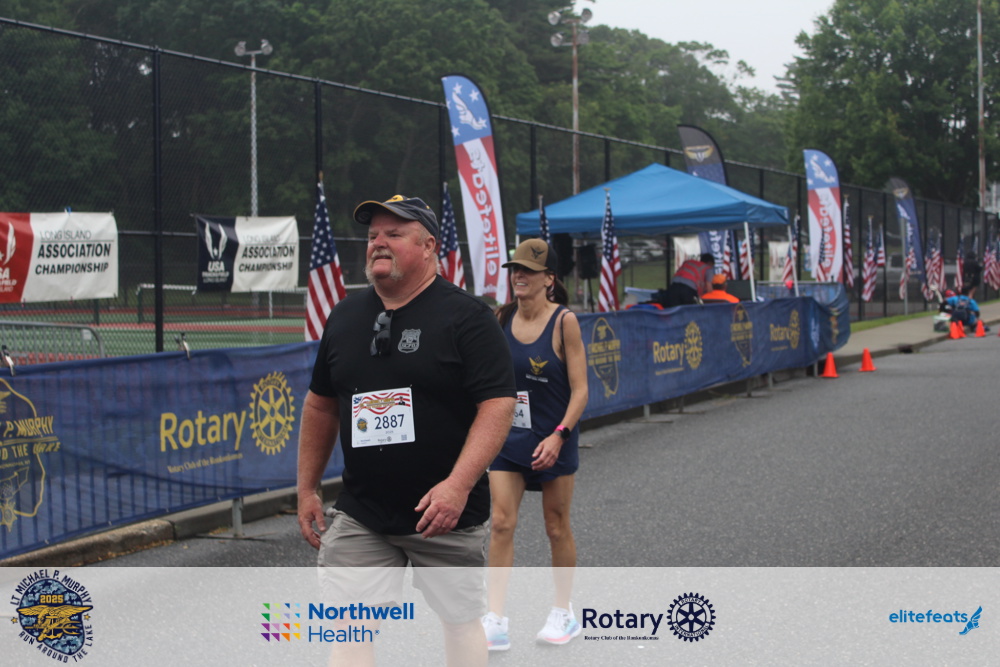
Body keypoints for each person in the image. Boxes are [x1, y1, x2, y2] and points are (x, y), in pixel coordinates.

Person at [297, 194, 517, 667]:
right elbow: (320, 405)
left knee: (460, 622)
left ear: (429, 246)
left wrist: (457, 486)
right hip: (363, 513)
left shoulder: (468, 318)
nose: (378, 242)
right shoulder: (345, 316)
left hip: (444, 513)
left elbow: (498, 405)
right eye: (373, 235)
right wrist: (306, 488)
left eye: (394, 234)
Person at [481, 239, 589, 651]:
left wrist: (559, 435)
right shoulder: (501, 317)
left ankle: (563, 612)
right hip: (511, 440)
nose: (519, 275)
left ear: (549, 279)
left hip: (554, 439)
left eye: (528, 269)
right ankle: (495, 618)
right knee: (501, 522)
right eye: (515, 269)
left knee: (556, 525)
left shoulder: (565, 322)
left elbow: (581, 391)